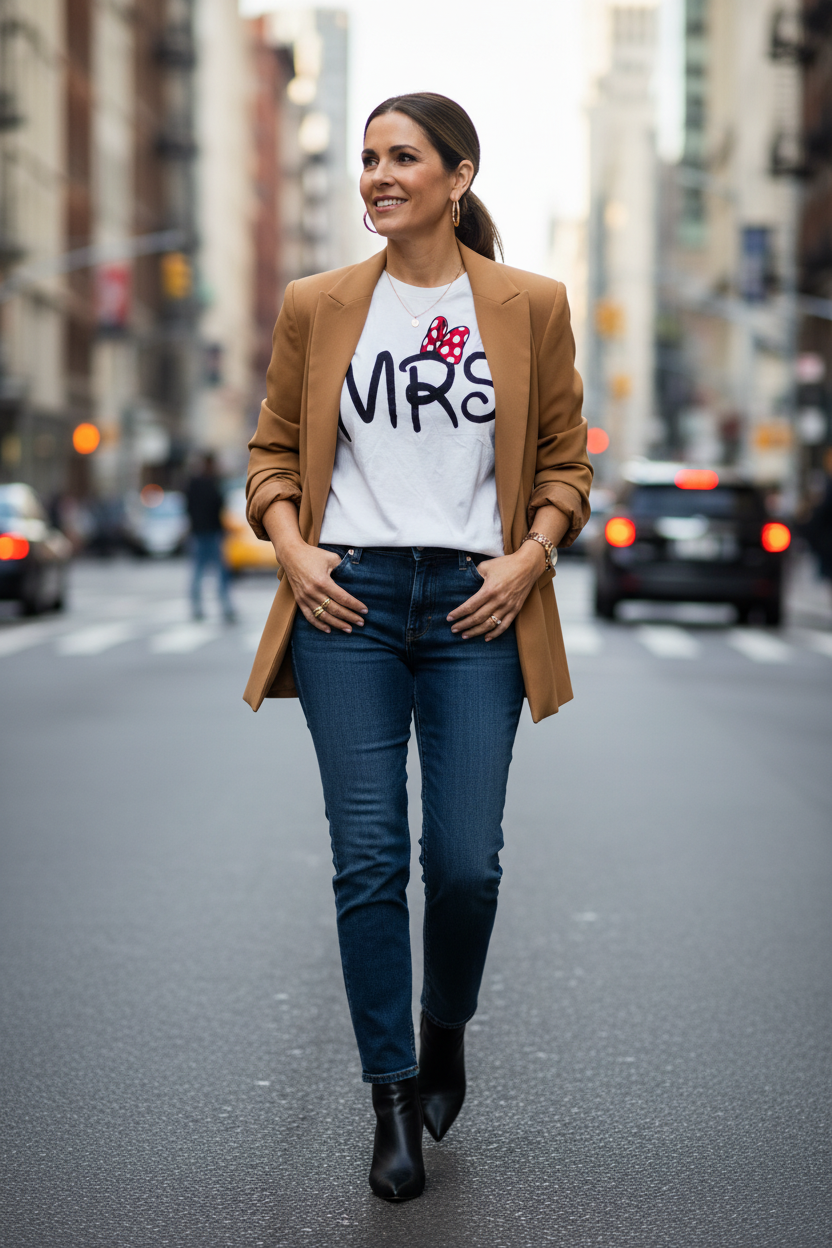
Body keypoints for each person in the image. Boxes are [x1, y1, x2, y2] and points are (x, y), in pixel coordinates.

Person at [244, 93, 592, 1201]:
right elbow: (270, 456)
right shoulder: (319, 302)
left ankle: (446, 1029)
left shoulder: (530, 306)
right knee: (369, 862)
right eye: (366, 160)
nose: (377, 176)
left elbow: (565, 465)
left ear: (458, 175)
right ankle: (391, 1094)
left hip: (473, 608)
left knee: (464, 864)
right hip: (346, 599)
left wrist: (527, 558)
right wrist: (294, 552)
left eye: (402, 158)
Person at [185, 452, 235, 622]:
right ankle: (225, 607)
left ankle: (199, 608)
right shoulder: (213, 483)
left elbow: (188, 507)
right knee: (219, 572)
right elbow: (219, 505)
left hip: (201, 532)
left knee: (200, 572)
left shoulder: (194, 483)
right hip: (211, 532)